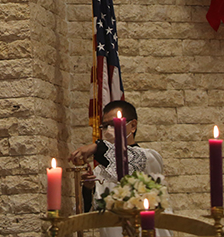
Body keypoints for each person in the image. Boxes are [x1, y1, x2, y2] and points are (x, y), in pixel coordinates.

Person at [69, 101, 171, 237]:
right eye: (104, 126)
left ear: (133, 125)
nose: (107, 130)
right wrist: (89, 189)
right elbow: (90, 213)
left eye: (113, 124)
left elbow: (126, 161)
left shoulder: (149, 157)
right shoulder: (99, 172)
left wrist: (95, 147)